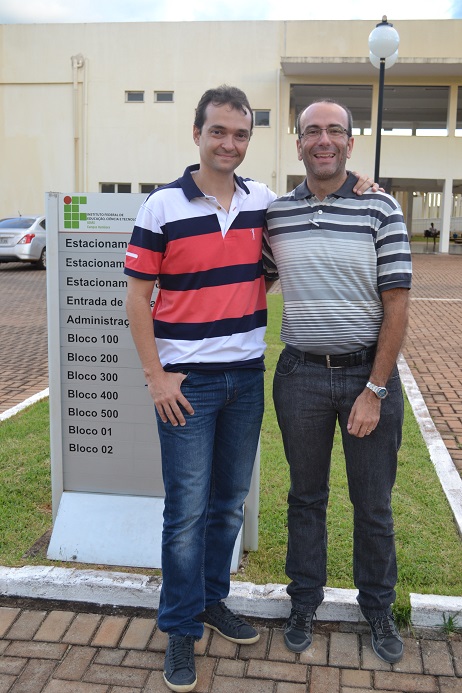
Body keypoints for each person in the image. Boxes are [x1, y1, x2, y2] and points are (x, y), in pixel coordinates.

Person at [124, 86, 377, 693]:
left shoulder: (261, 201)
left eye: (240, 135)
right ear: (197, 135)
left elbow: (310, 205)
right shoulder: (161, 208)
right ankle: (181, 628)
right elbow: (136, 297)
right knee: (184, 513)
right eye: (219, 132)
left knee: (227, 503)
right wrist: (155, 376)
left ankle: (212, 601)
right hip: (186, 385)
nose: (230, 144)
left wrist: (357, 180)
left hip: (244, 375)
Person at [265, 99, 412, 665]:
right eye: (311, 131)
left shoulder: (381, 210)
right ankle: (305, 601)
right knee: (306, 498)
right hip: (300, 374)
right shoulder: (277, 214)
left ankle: (377, 607)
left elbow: (396, 306)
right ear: (298, 142)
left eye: (334, 131)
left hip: (365, 375)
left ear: (351, 142)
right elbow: (249, 274)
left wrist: (374, 390)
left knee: (372, 504)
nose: (323, 140)